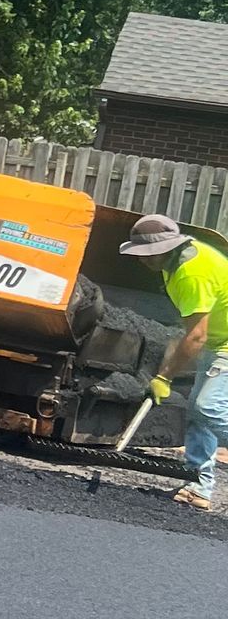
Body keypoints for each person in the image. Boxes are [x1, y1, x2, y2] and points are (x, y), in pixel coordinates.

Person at [117, 212, 228, 510]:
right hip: (218, 341)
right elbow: (192, 331)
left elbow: (196, 337)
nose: (142, 260)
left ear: (165, 249)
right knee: (196, 412)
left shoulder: (192, 272)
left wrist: (165, 377)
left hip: (224, 343)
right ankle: (198, 487)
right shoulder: (174, 263)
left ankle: (199, 484)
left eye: (146, 254)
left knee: (210, 407)